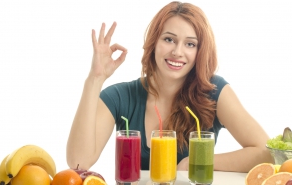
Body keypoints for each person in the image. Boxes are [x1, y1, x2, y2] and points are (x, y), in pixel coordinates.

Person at [66, 1, 273, 172]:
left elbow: (266, 153)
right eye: (169, 39)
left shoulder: (214, 91)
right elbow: (78, 162)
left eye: (190, 44)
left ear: (199, 52)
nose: (177, 52)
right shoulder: (119, 96)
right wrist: (95, 79)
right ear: (154, 42)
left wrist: (194, 162)